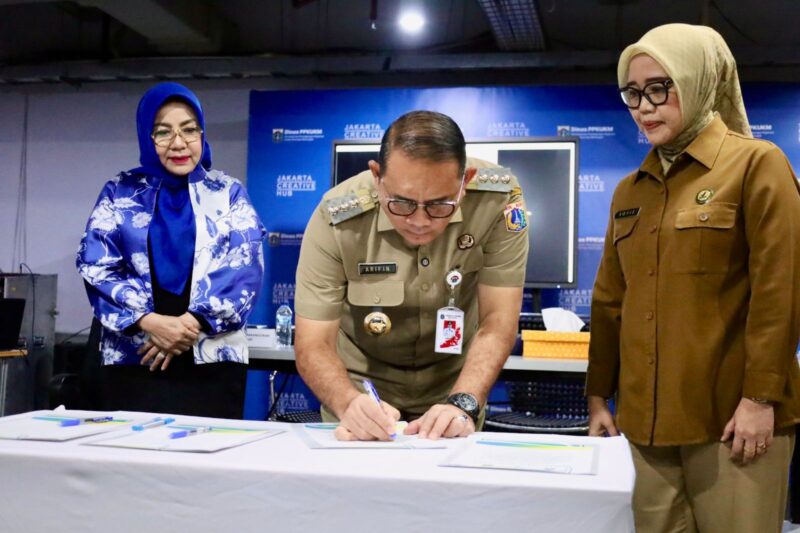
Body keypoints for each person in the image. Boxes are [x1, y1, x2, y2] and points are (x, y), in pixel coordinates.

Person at [586, 23, 800, 532]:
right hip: (645, 429)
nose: (644, 106)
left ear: (701, 81)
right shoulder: (629, 190)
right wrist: (598, 396)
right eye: (633, 92)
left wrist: (760, 399)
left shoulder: (756, 165)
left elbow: (782, 291)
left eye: (661, 87)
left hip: (733, 425)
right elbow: (609, 300)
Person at [294, 110, 528, 441]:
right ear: (377, 177)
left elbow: (497, 322)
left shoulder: (498, 200)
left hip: (455, 389)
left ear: (465, 181)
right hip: (362, 391)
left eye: (439, 205)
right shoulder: (336, 217)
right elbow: (312, 344)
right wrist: (348, 403)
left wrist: (463, 403)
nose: (419, 220)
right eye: (401, 203)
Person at [76, 82, 266, 419]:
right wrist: (151, 323)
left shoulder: (228, 192)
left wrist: (188, 326)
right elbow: (96, 265)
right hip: (135, 356)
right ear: (146, 137)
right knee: (128, 460)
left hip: (210, 358)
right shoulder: (120, 192)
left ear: (202, 133)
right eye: (163, 133)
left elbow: (244, 266)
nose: (179, 144)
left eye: (189, 130)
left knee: (205, 464)